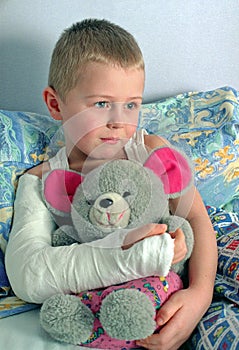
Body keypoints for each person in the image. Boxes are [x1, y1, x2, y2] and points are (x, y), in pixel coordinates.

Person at [5, 19, 217, 350]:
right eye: (102, 103)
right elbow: (28, 275)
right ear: (55, 104)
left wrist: (199, 296)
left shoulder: (151, 150)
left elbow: (197, 221)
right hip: (102, 315)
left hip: (172, 299)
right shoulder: (41, 180)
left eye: (131, 104)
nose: (118, 121)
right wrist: (126, 249)